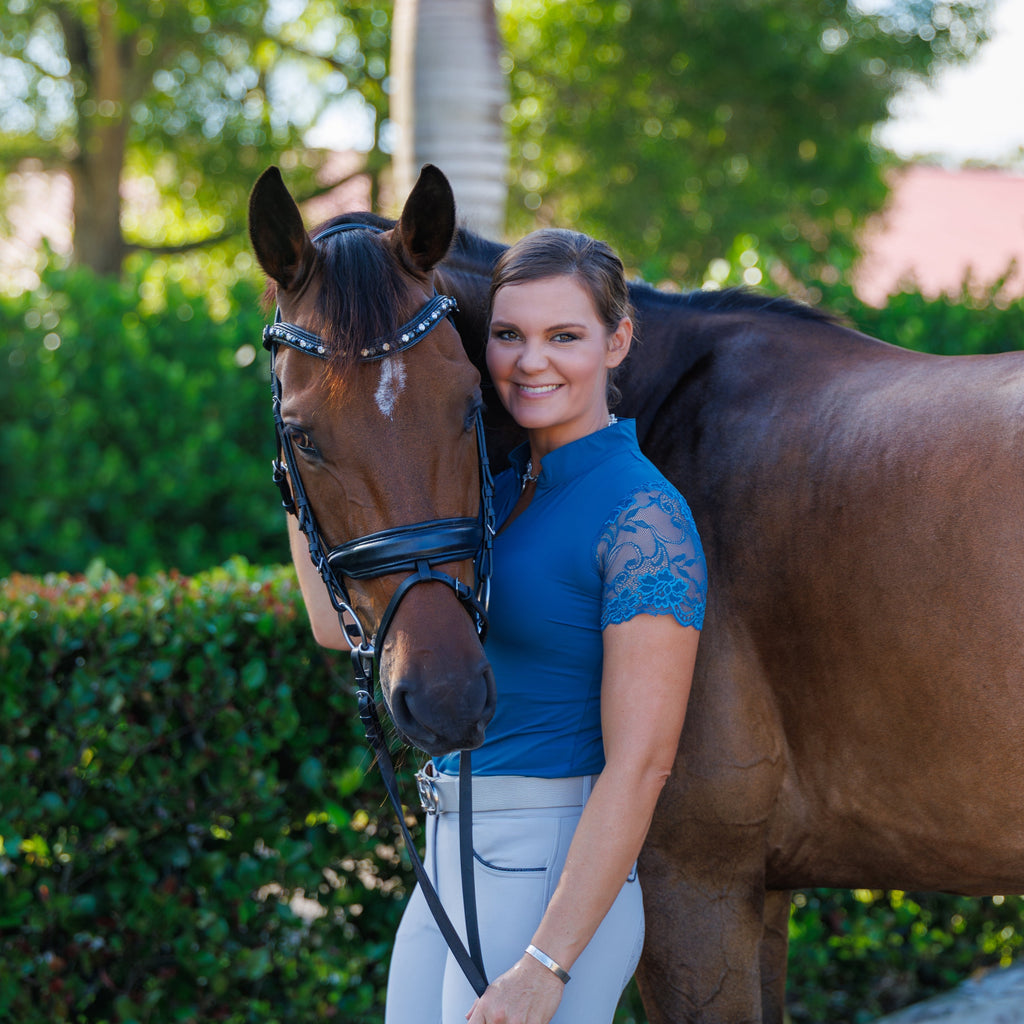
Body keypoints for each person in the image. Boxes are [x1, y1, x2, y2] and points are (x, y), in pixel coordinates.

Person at [290, 228, 706, 1024]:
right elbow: (335, 626)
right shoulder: (497, 490)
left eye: (564, 336)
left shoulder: (644, 516)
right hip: (455, 846)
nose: (529, 360)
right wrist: (300, 443)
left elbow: (643, 767)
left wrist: (545, 966)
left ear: (617, 342)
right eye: (509, 335)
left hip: (550, 866)